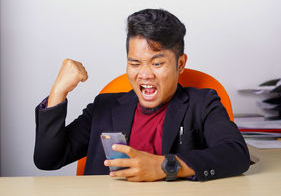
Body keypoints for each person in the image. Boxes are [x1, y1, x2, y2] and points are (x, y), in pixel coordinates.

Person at [34, 9, 250, 182]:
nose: (145, 74)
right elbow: (48, 159)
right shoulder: (105, 106)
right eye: (135, 63)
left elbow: (236, 155)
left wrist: (165, 166)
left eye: (157, 63)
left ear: (180, 64)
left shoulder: (202, 104)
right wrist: (58, 92)